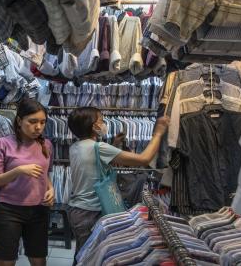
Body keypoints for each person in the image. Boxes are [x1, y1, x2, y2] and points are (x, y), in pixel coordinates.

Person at [67, 107, 170, 264]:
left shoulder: (75, 146)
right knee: (90, 258)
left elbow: (96, 163)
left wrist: (115, 143)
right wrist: (158, 133)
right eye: (101, 120)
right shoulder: (100, 148)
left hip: (78, 210)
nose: (104, 123)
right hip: (92, 212)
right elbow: (144, 158)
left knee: (84, 254)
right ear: (93, 126)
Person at [0, 99, 54, 266]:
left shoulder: (46, 145)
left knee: (39, 261)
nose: (38, 127)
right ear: (19, 120)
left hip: (39, 210)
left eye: (42, 122)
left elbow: (45, 174)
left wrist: (51, 189)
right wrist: (19, 170)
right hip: (10, 210)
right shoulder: (3, 144)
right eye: (32, 122)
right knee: (5, 261)